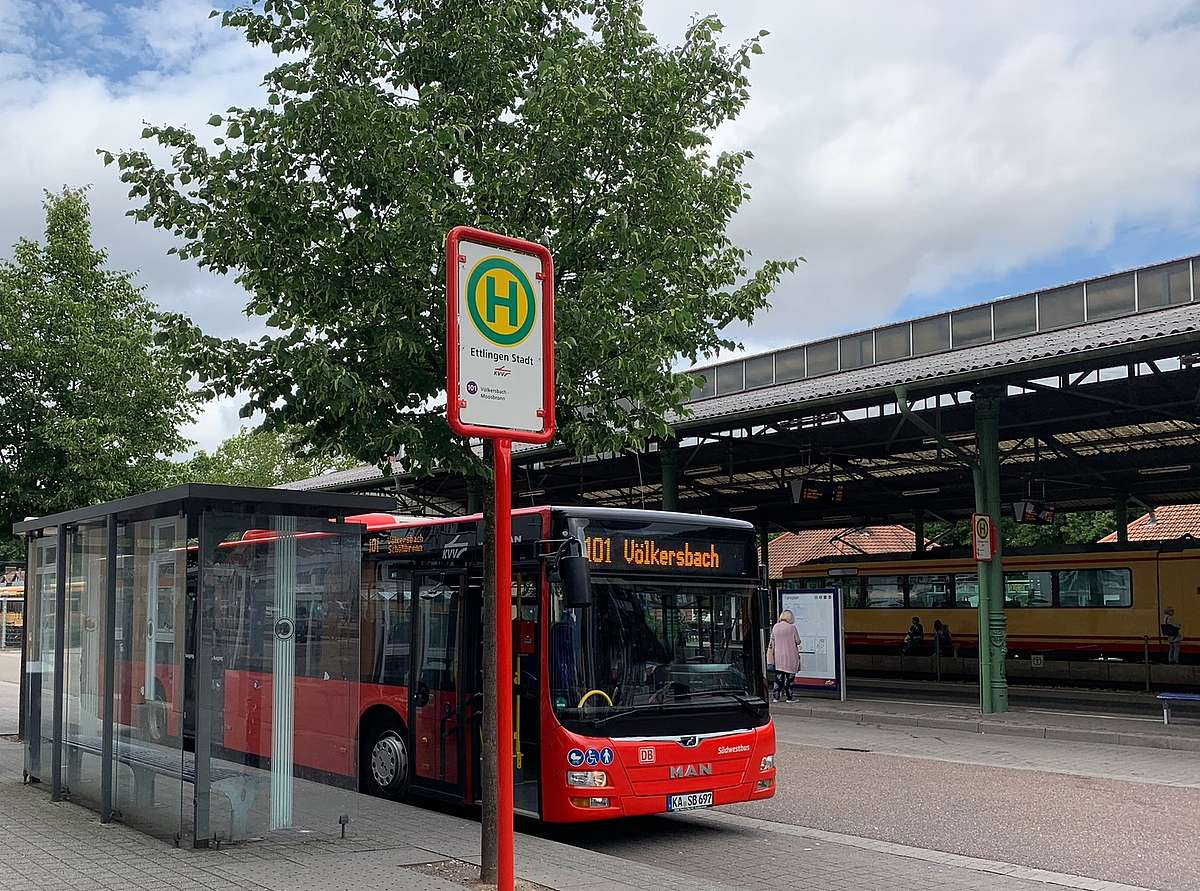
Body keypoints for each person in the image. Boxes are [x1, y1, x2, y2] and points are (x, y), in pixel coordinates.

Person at [769, 609, 802, 702]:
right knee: (789, 679)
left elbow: (772, 640)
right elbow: (798, 641)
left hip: (778, 657)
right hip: (790, 657)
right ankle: (789, 697)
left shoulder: (775, 627)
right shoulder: (792, 628)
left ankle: (776, 697)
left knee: (778, 678)